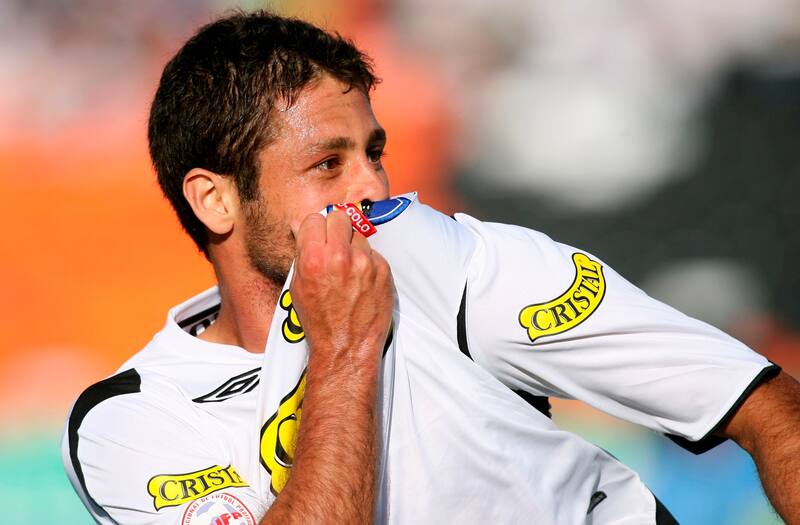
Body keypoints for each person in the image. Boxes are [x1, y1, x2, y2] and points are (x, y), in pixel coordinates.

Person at [62, 10, 800, 525]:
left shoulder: (456, 263)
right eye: (328, 164)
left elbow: (767, 407)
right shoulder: (130, 419)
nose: (373, 187)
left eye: (373, 152)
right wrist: (344, 347)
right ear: (214, 200)